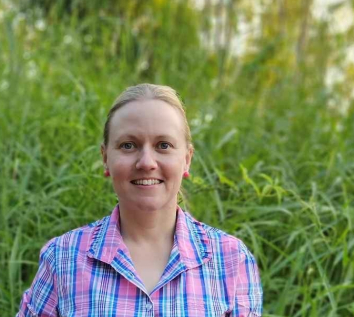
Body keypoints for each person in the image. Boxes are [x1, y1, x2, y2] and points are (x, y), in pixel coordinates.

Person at [16, 83, 263, 316]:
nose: (146, 162)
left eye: (163, 145)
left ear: (187, 159)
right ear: (105, 158)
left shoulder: (231, 260)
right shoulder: (63, 258)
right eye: (128, 145)